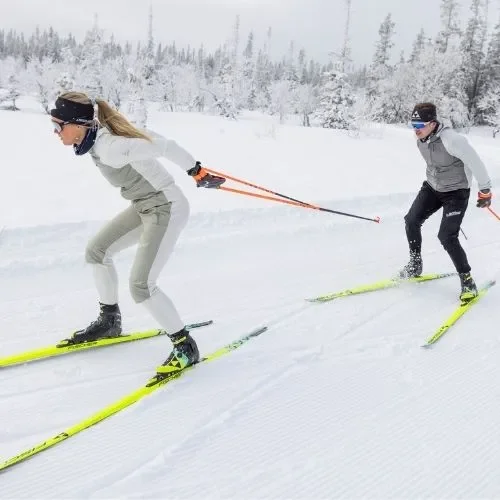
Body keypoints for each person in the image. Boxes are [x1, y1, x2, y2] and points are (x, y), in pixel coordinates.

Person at [50, 92, 226, 374]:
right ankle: (109, 321)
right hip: (144, 205)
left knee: (141, 286)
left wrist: (195, 170)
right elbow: (148, 138)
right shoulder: (100, 138)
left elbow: (163, 146)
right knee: (97, 252)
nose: (56, 132)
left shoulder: (110, 146)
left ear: (78, 124)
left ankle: (185, 346)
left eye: (58, 125)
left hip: (166, 207)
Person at [399, 102, 493, 302]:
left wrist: (485, 190)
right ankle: (415, 264)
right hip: (433, 187)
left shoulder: (452, 140)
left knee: (447, 236)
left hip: (456, 192)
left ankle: (467, 280)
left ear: (433, 124)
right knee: (411, 220)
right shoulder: (421, 139)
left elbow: (476, 162)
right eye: (413, 125)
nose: (416, 130)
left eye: (420, 125)